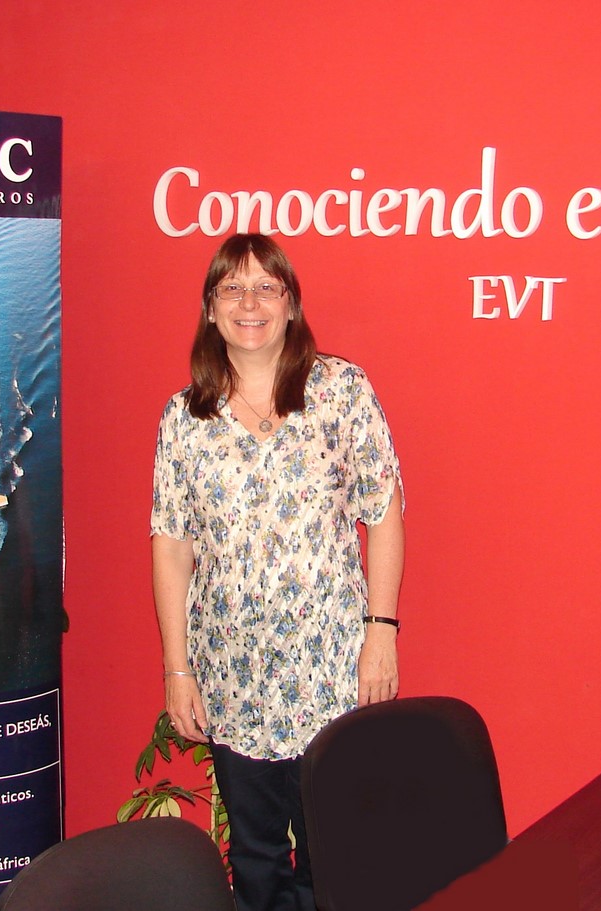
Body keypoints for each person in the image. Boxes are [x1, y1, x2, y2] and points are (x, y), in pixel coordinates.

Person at [151, 234, 405, 911]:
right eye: (232, 288)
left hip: (332, 669)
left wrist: (381, 631)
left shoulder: (340, 391)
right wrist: (178, 669)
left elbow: (384, 513)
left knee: (334, 853)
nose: (250, 303)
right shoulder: (185, 418)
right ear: (210, 309)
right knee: (256, 858)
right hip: (233, 674)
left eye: (267, 287)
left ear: (291, 305)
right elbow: (171, 544)